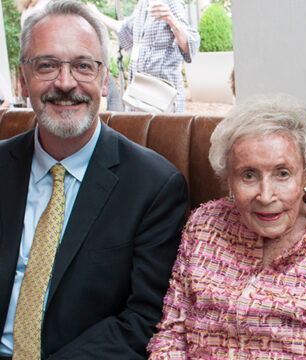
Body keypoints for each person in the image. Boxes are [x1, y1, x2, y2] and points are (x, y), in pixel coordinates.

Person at [0, 1, 188, 359]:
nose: (65, 83)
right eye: (47, 65)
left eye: (83, 66)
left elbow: (144, 318)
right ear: (23, 79)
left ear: (105, 79)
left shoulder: (154, 187)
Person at [147, 93, 306, 359]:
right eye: (248, 175)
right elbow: (171, 334)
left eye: (282, 173)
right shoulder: (204, 225)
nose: (265, 195)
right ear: (229, 179)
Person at [89, 0, 199, 113]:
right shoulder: (143, 4)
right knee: (137, 127)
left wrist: (171, 20)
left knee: (164, 129)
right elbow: (124, 29)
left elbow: (191, 45)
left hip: (162, 95)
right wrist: (96, 14)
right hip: (139, 93)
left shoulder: (172, 3)